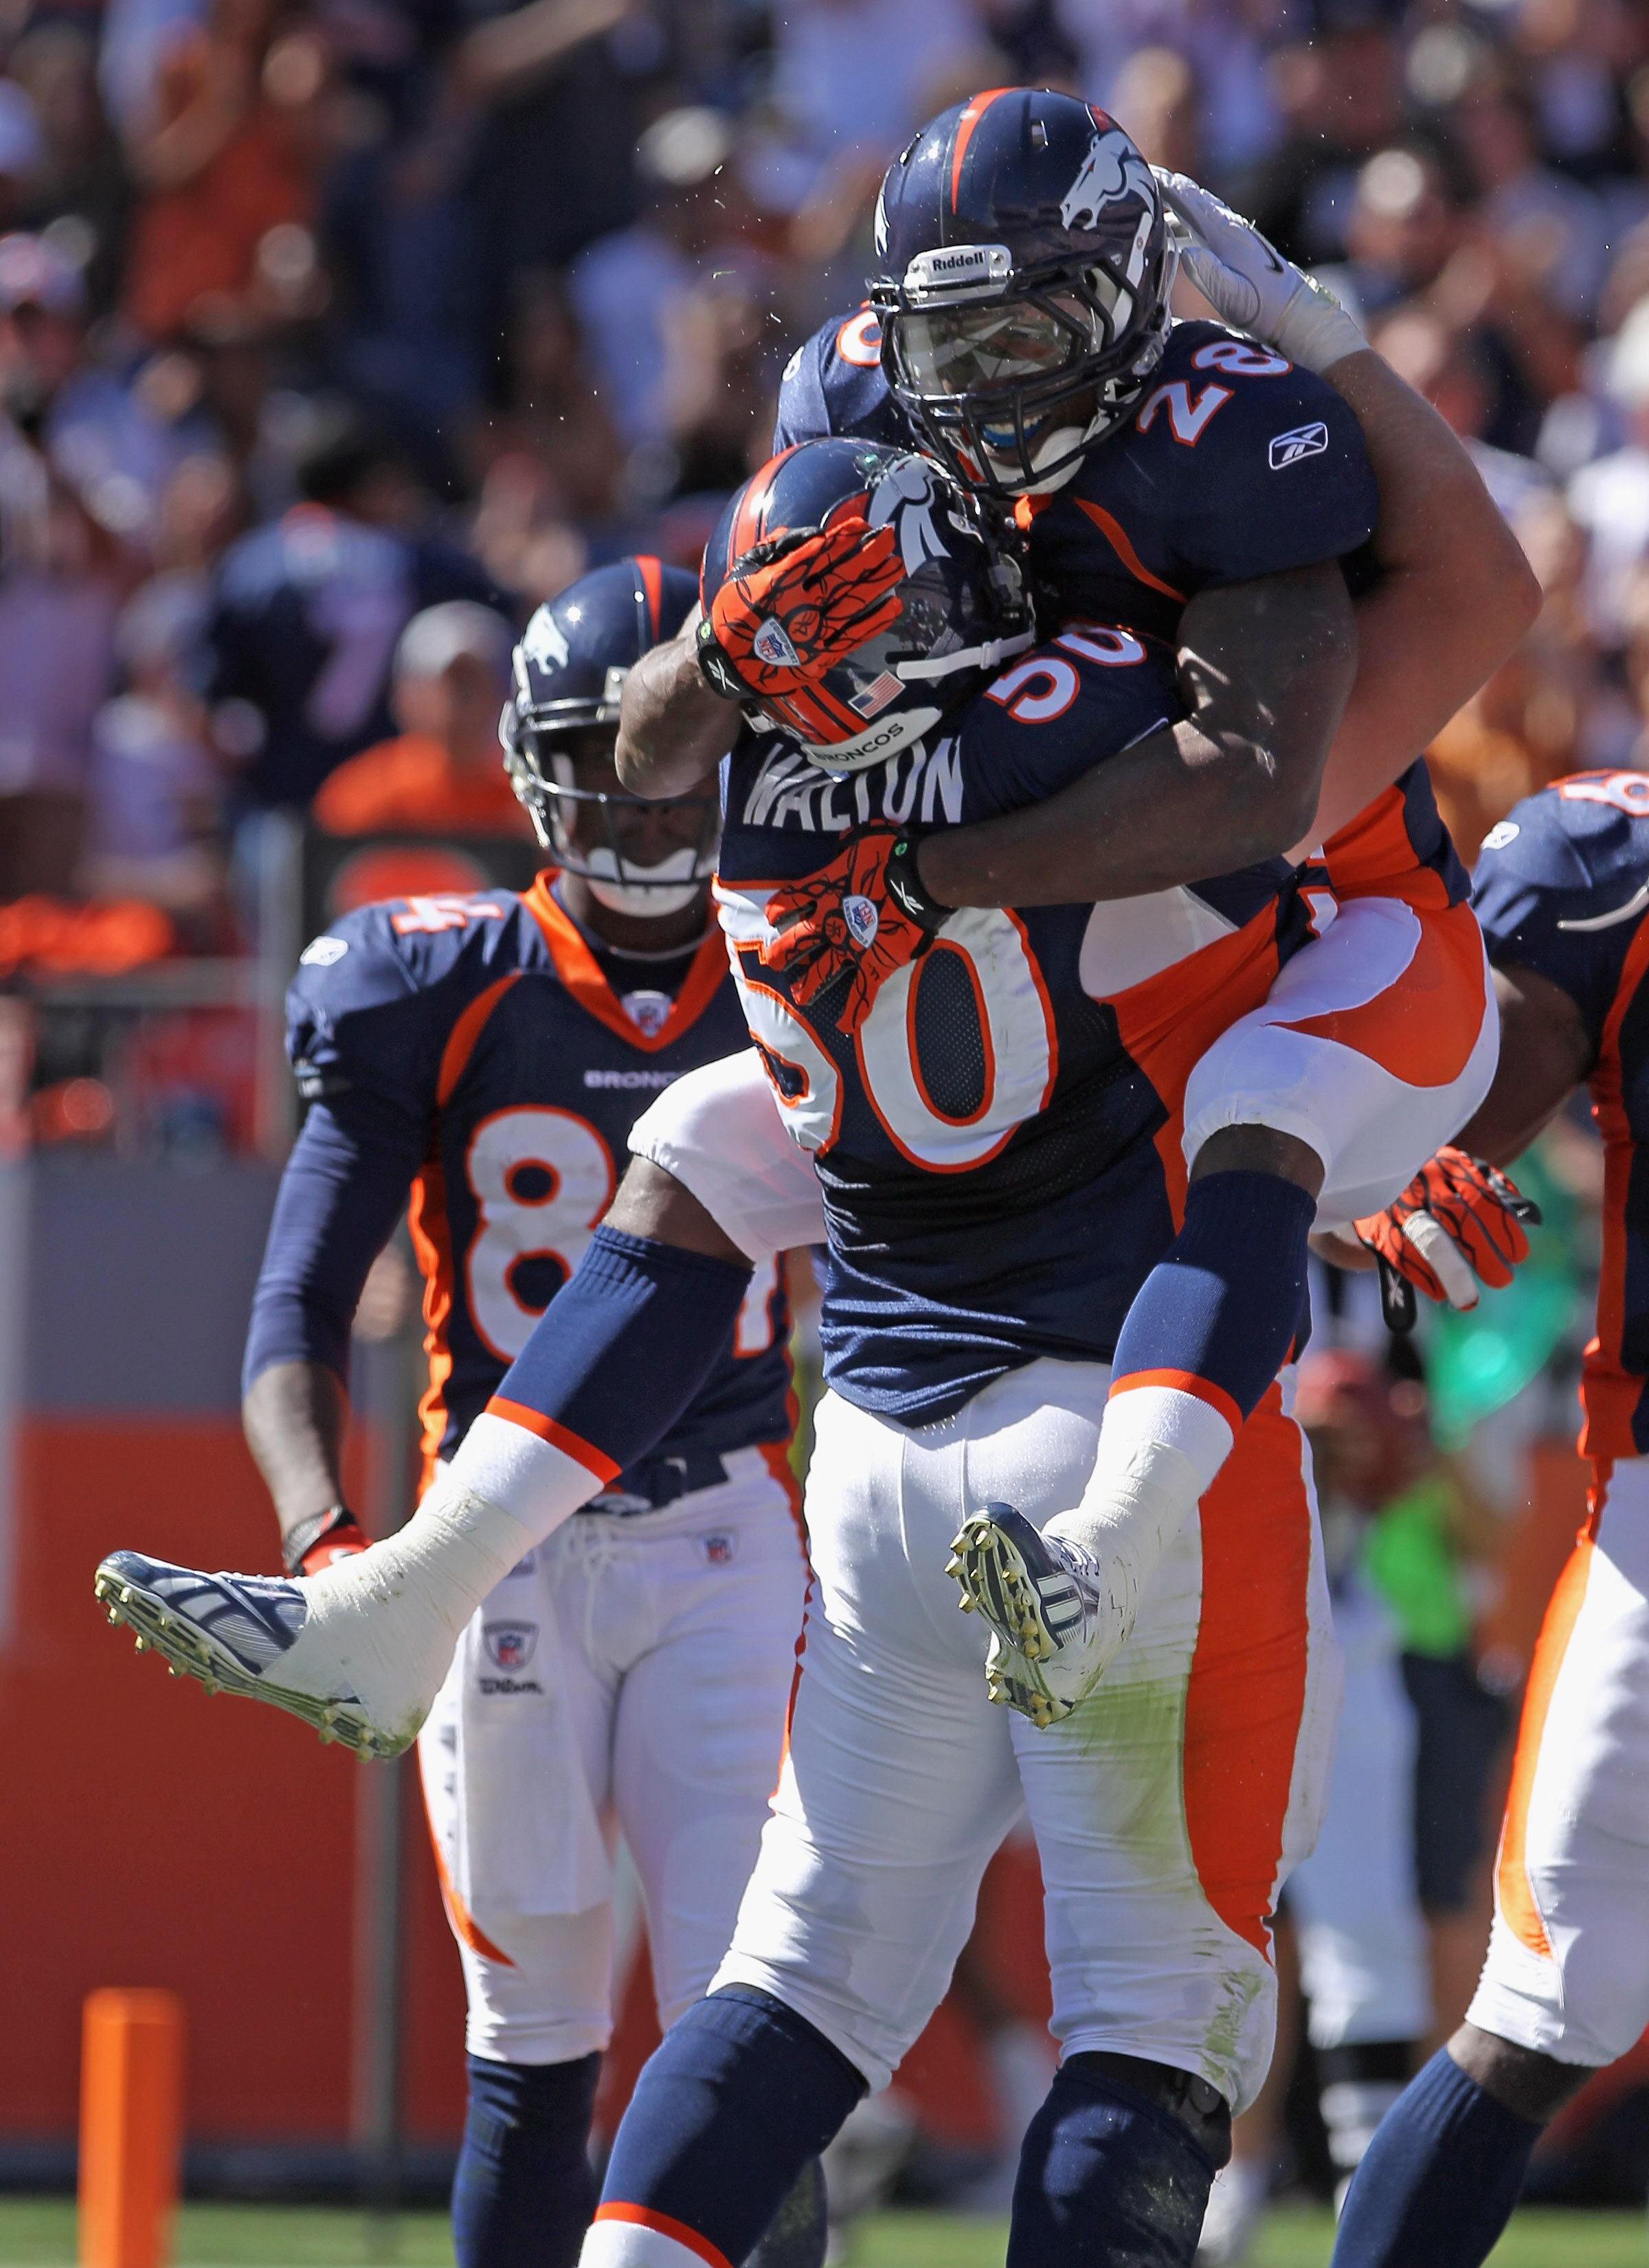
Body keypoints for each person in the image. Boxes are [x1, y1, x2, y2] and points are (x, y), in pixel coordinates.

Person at [102, 425, 1477, 2268]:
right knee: (1161, 2008)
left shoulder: (751, 823)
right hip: (1112, 1418)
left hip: (878, 1448)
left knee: (797, 1979)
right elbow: (1287, 810)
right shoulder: (1077, 734)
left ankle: (422, 1578)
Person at [91, 120, 1530, 1751]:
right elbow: (645, 750)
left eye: (1023, 339)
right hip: (1064, 954)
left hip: (1304, 917)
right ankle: (408, 1595)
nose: (982, 396)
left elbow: (1272, 772)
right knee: (695, 1137)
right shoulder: (856, 420)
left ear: (1123, 308)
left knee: (1256, 1111)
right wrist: (727, 644)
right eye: (946, 347)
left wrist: (1305, 328)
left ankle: (1107, 1541)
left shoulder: (1229, 444)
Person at [232, 557, 824, 2268]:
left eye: (671, 762)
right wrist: (335, 1550)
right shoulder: (435, 977)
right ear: (531, 761)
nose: (643, 803)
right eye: (608, 759)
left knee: (753, 2024)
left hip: (726, 1530)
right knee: (533, 2045)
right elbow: (290, 1307)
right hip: (496, 1558)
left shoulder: (787, 962)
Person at [1311, 766, 1649, 2267]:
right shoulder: (1608, 857)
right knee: (1542, 1995)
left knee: (1541, 1998)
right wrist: (1385, 1173)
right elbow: (1455, 1130)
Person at [203, 407, 503, 809]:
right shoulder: (415, 560)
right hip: (387, 790)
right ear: (373, 484)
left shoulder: (252, 565)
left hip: (281, 788)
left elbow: (215, 688)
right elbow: (492, 607)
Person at [311, 600, 528, 836]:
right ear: (405, 694)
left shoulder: (524, 797)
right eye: (454, 682)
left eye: (476, 681)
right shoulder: (362, 797)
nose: (465, 700)